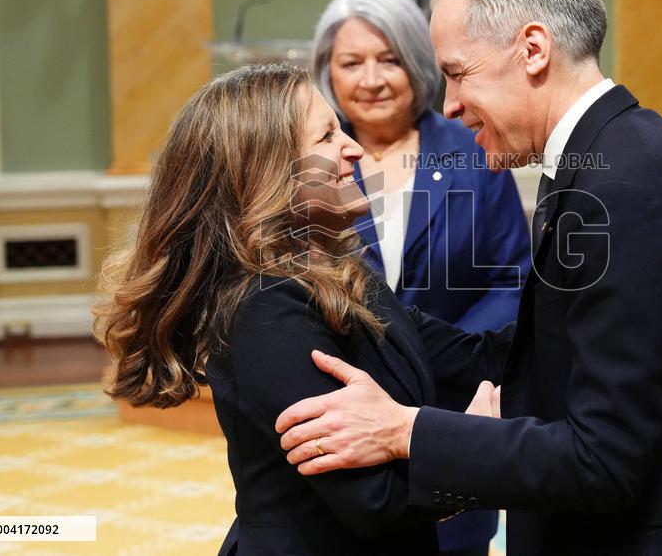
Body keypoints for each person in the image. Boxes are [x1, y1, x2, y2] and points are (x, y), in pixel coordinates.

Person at [276, 0, 662, 555]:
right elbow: (549, 350)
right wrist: (363, 310)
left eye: (458, 72)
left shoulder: (625, 189)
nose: (449, 104)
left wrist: (407, 432)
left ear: (533, 49)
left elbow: (602, 459)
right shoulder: (623, 151)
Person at [93, 64, 466, 555]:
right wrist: (473, 444)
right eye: (327, 136)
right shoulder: (265, 309)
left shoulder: (344, 275)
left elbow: (467, 355)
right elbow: (375, 500)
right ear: (269, 171)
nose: (354, 148)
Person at [313, 0, 530, 556]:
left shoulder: (472, 145)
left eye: (388, 59)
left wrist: (438, 355)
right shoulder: (312, 161)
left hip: (453, 407)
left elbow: (510, 276)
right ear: (327, 71)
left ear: (415, 62)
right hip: (345, 406)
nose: (371, 79)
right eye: (351, 62)